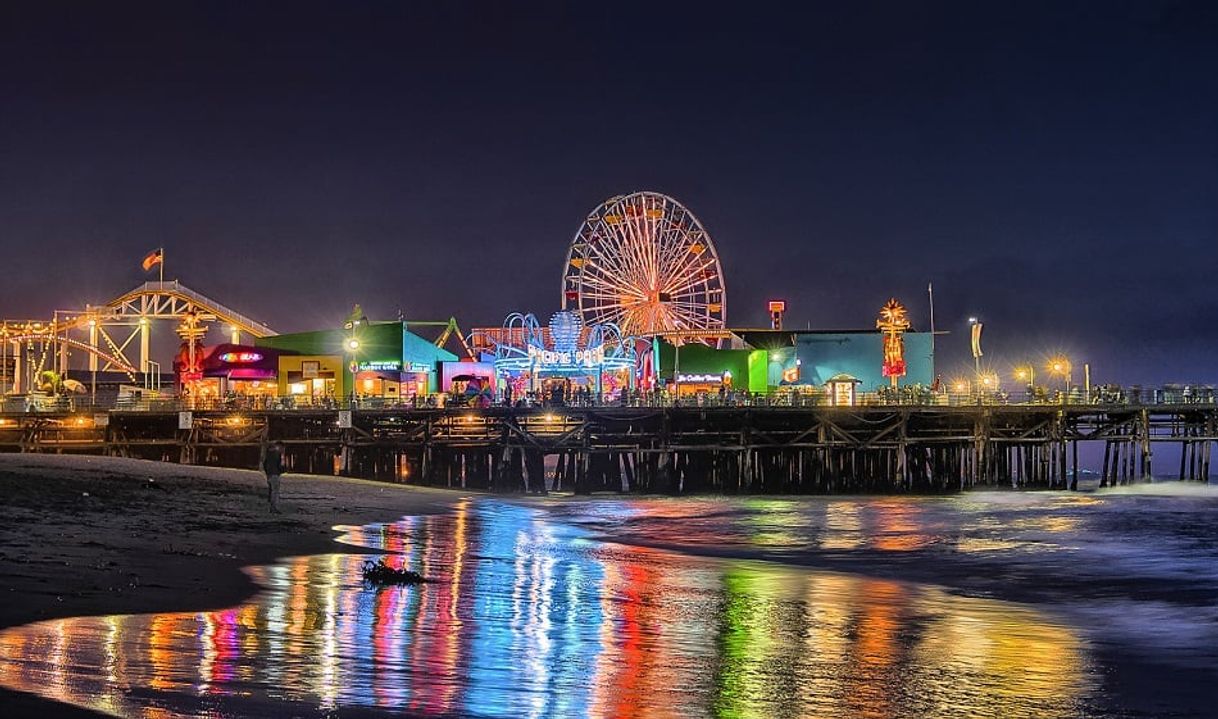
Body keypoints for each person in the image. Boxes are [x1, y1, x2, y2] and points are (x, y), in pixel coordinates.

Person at [263, 441, 285, 513]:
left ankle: (271, 506)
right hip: (275, 474)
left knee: (272, 491)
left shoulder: (268, 453)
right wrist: (282, 470)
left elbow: (265, 463)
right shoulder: (278, 454)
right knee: (275, 492)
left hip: (269, 474)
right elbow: (280, 466)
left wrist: (267, 473)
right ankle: (274, 508)